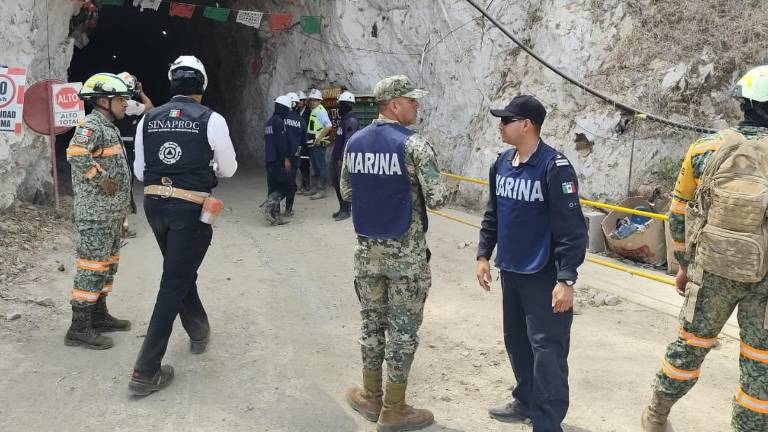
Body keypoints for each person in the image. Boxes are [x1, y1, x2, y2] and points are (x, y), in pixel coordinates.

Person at [641, 66, 768, 432]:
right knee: (760, 366)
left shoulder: (705, 148)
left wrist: (683, 264)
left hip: (711, 270)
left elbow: (678, 213)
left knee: (690, 347)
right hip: (765, 281)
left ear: (743, 102)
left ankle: (656, 416)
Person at [341, 75, 447, 432]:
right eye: (412, 101)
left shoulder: (354, 142)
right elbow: (438, 197)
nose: (417, 106)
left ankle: (370, 396)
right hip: (406, 255)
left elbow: (346, 191)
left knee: (371, 323)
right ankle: (395, 408)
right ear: (393, 104)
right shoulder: (414, 145)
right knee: (402, 330)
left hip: (367, 252)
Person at [476, 95, 587, 432]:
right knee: (517, 341)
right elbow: (493, 213)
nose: (501, 126)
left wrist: (566, 278)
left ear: (526, 124)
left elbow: (572, 228)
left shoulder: (555, 168)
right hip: (511, 270)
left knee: (548, 350)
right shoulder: (503, 164)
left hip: (544, 274)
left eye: (506, 120)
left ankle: (548, 420)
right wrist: (483, 255)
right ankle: (525, 400)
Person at [129, 55, 238, 396]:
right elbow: (229, 169)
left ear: (171, 83)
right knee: (174, 280)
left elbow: (138, 171)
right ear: (203, 86)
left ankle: (199, 330)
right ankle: (146, 371)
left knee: (179, 269)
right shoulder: (212, 119)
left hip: (154, 207)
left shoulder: (149, 120)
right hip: (189, 210)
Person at [64, 72, 133, 349]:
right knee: (91, 266)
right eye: (121, 99)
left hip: (111, 214)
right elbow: (76, 153)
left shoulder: (108, 126)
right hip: (95, 214)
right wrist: (100, 176)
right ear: (103, 100)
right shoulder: (91, 125)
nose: (126, 103)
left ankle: (98, 314)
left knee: (107, 265)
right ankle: (79, 327)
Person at [114, 71, 154, 237]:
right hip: (125, 150)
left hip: (111, 149)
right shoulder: (129, 105)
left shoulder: (109, 103)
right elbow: (150, 107)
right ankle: (121, 228)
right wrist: (142, 92)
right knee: (123, 189)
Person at [263, 95, 295, 225]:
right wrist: (285, 159)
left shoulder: (269, 122)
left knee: (273, 186)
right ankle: (271, 204)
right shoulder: (278, 122)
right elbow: (280, 144)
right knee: (289, 186)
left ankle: (275, 217)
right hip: (277, 161)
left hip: (269, 160)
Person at [330, 91, 359, 221]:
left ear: (347, 105)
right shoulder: (345, 119)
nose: (339, 107)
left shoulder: (351, 120)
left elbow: (349, 140)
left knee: (343, 185)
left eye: (341, 104)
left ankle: (346, 210)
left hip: (343, 159)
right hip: (337, 157)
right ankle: (342, 208)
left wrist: (343, 158)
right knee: (336, 183)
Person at [306, 88, 334, 200]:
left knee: (321, 166)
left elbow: (328, 126)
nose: (312, 101)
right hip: (313, 144)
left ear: (319, 101)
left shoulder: (321, 111)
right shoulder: (314, 110)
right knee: (314, 166)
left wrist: (319, 138)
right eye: (311, 99)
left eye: (315, 100)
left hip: (318, 144)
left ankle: (322, 190)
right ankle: (315, 188)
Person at [283, 92, 305, 218]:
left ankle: (274, 207)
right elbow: (302, 140)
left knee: (278, 182)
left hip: (280, 156)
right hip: (294, 156)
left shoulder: (280, 118)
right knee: (291, 182)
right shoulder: (301, 121)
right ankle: (288, 209)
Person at [296, 91, 313, 195]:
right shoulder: (296, 112)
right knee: (300, 164)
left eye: (301, 100)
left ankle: (307, 186)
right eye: (299, 101)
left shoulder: (309, 112)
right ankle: (303, 185)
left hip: (307, 141)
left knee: (305, 164)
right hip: (298, 141)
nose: (300, 103)